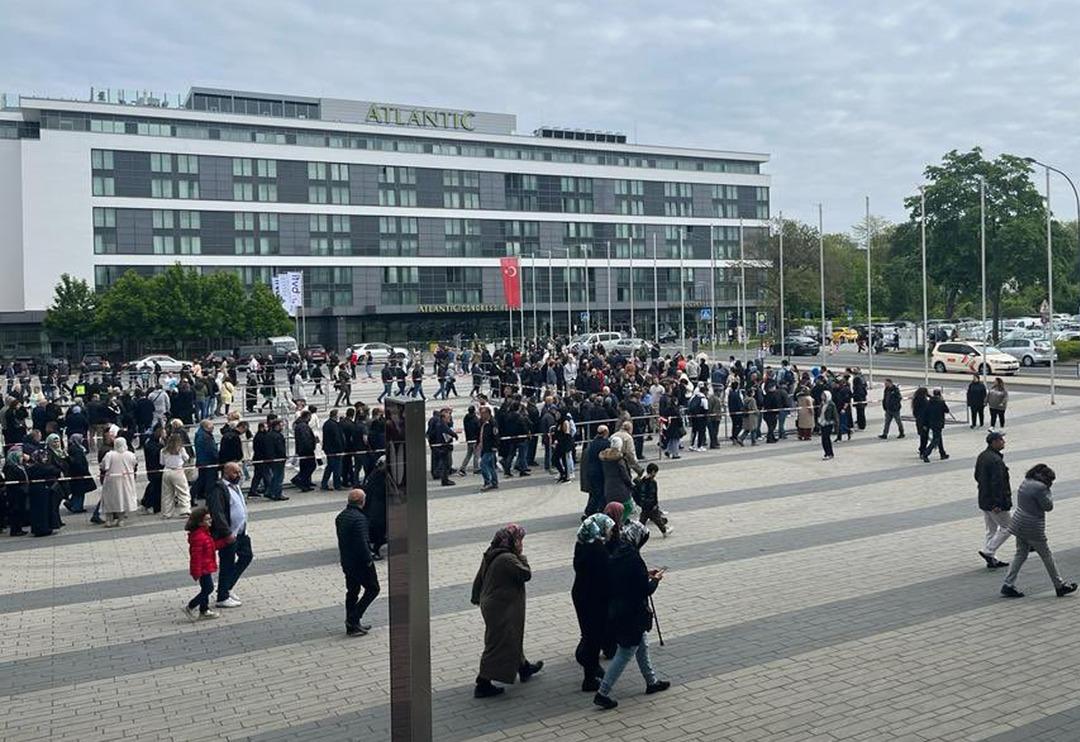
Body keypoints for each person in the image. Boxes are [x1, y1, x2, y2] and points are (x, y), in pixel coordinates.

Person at [593, 521, 669, 709]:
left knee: (642, 645)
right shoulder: (633, 557)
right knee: (626, 652)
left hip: (619, 609)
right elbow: (644, 589)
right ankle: (602, 692)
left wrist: (645, 573)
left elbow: (630, 578)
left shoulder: (620, 552)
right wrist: (655, 580)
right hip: (630, 613)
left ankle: (651, 682)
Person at [471, 524, 543, 698]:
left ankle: (523, 667)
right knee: (498, 643)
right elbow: (526, 574)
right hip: (500, 607)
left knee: (510, 637)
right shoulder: (507, 559)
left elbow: (479, 576)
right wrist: (521, 555)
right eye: (519, 540)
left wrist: (476, 596)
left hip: (494, 603)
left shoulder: (492, 551)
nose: (521, 542)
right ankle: (483, 682)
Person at [1001, 464, 1077, 598]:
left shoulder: (1026, 481)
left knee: (1020, 554)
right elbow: (1048, 506)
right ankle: (1059, 585)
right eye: (1051, 480)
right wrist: (1049, 492)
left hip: (1019, 523)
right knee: (1046, 555)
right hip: (1032, 526)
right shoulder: (1041, 488)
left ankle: (1008, 584)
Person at [573, 513, 615, 692]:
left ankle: (590, 665)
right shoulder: (597, 549)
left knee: (589, 632)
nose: (611, 532)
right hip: (594, 598)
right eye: (609, 528)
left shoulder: (582, 542)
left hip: (581, 593)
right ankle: (589, 677)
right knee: (593, 636)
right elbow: (606, 572)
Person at [206, 461, 253, 609]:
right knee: (227, 563)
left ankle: (226, 587)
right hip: (228, 534)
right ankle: (222, 597)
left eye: (239, 472)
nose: (239, 475)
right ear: (226, 473)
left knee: (247, 556)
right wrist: (226, 533)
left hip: (241, 532)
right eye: (235, 472)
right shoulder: (219, 489)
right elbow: (217, 513)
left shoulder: (235, 486)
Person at [335, 488, 381, 635]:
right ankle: (354, 619)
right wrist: (369, 560)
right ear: (362, 501)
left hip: (347, 561)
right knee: (373, 589)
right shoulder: (360, 519)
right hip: (360, 563)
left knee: (352, 591)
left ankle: (351, 625)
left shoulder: (341, 516)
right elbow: (362, 542)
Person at [183, 506, 235, 621]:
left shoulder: (205, 534)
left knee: (205, 588)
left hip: (206, 566)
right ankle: (191, 606)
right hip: (203, 568)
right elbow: (195, 557)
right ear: (200, 522)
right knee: (208, 588)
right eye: (207, 519)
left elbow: (212, 547)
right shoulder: (199, 537)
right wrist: (196, 571)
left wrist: (224, 542)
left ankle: (204, 610)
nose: (210, 521)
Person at [975, 430, 1012, 569]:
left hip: (984, 499)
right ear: (994, 442)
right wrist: (997, 503)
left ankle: (991, 558)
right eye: (1001, 440)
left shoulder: (983, 456)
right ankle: (989, 551)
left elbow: (977, 476)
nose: (1004, 442)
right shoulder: (995, 460)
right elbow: (998, 483)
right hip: (995, 502)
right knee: (1008, 527)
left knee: (991, 529)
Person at [99, 437, 138, 527]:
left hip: (111, 480)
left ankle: (108, 520)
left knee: (109, 499)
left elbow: (104, 466)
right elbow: (134, 464)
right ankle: (121, 520)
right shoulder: (130, 454)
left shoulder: (109, 455)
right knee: (122, 499)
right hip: (125, 480)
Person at [361, 457, 388, 560]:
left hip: (373, 506)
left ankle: (376, 546)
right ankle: (374, 549)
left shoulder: (374, 474)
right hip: (377, 508)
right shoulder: (379, 476)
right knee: (379, 528)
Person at [633, 462, 669, 536]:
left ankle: (637, 532)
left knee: (643, 519)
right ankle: (664, 531)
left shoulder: (643, 480)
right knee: (657, 519)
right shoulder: (652, 482)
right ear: (653, 472)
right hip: (651, 505)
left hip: (643, 504)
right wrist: (655, 504)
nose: (655, 474)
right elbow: (654, 494)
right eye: (655, 472)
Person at [599, 435, 634, 510]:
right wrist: (630, 484)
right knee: (628, 507)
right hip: (620, 488)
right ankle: (621, 520)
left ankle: (615, 519)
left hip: (608, 487)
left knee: (612, 508)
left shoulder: (605, 458)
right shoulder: (619, 460)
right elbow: (624, 475)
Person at [64, 434, 95, 514]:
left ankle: (72, 503)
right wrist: (83, 469)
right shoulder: (76, 450)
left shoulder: (74, 448)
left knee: (78, 491)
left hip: (77, 473)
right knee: (80, 491)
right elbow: (78, 462)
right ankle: (77, 507)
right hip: (79, 473)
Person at [3, 448, 29, 536]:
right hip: (15, 493)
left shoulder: (19, 466)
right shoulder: (10, 468)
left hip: (20, 492)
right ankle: (15, 530)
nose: (22, 458)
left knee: (19, 511)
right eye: (20, 457)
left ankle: (19, 528)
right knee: (15, 511)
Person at [922, 388, 950, 462]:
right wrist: (943, 401)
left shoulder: (929, 402)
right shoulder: (941, 402)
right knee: (936, 440)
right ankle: (926, 454)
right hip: (939, 423)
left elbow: (926, 413)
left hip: (931, 423)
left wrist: (925, 424)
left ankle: (942, 453)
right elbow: (947, 410)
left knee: (938, 438)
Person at [817, 390, 838, 460]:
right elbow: (820, 413)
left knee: (826, 439)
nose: (822, 397)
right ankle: (826, 453)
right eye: (822, 395)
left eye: (824, 395)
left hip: (828, 423)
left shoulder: (831, 404)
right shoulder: (822, 404)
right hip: (822, 423)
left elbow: (835, 415)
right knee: (823, 439)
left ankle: (830, 453)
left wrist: (836, 425)